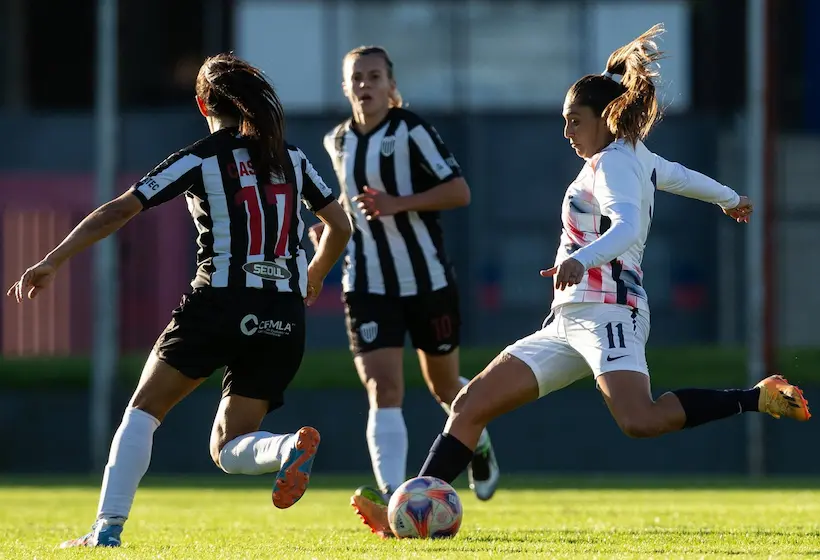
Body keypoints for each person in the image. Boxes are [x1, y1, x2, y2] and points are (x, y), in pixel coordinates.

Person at [352, 24, 811, 537]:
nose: (567, 132)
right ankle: (410, 510)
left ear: (605, 118)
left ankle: (756, 397)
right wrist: (730, 198)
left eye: (574, 121)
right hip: (568, 321)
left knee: (641, 420)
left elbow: (629, 227)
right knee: (470, 404)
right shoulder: (631, 156)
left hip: (613, 311)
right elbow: (679, 174)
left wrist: (581, 259)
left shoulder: (612, 164)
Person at [6, 52, 351, 548]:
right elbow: (339, 226)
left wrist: (52, 260)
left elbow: (118, 212)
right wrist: (314, 273)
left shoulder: (201, 156)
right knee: (229, 446)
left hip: (218, 304)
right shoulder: (291, 158)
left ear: (201, 103)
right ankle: (285, 448)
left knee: (142, 412)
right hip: (282, 314)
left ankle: (105, 531)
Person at [310, 45, 499, 526]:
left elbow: (460, 191)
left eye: (374, 76)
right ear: (345, 85)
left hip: (427, 280)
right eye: (356, 77)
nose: (365, 85)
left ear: (390, 85)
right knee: (383, 386)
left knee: (442, 386)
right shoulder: (337, 141)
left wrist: (399, 202)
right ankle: (395, 498)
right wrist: (328, 232)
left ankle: (478, 439)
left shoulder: (411, 129)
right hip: (367, 282)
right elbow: (347, 211)